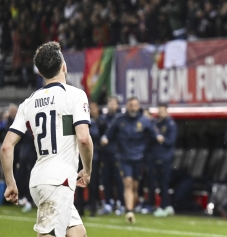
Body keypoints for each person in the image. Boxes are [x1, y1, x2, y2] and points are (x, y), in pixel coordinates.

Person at [1, 41, 93, 237]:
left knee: (78, 233)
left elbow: (6, 147)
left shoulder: (28, 103)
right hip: (58, 182)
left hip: (39, 179)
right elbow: (84, 139)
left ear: (41, 73)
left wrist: (11, 183)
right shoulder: (75, 95)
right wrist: (87, 170)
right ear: (64, 66)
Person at [101, 97, 161, 224]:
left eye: (135, 105)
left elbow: (154, 134)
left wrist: (158, 136)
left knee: (135, 186)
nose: (133, 107)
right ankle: (129, 211)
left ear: (138, 107)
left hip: (139, 158)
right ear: (127, 106)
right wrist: (105, 138)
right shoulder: (119, 120)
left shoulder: (145, 121)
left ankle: (130, 208)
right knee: (127, 183)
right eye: (131, 105)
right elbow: (109, 133)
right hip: (124, 157)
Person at [146, 104, 177, 218]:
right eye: (159, 111)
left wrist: (162, 139)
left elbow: (171, 141)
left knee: (164, 183)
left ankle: (164, 207)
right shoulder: (156, 123)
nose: (161, 113)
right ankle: (166, 206)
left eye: (163, 111)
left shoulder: (171, 124)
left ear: (167, 112)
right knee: (159, 184)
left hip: (166, 158)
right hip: (156, 158)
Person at [97, 96, 125, 215]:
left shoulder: (121, 119)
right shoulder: (103, 119)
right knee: (106, 178)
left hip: (118, 153)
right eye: (110, 103)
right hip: (105, 153)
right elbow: (97, 134)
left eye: (114, 103)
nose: (112, 105)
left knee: (119, 180)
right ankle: (108, 203)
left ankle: (120, 203)